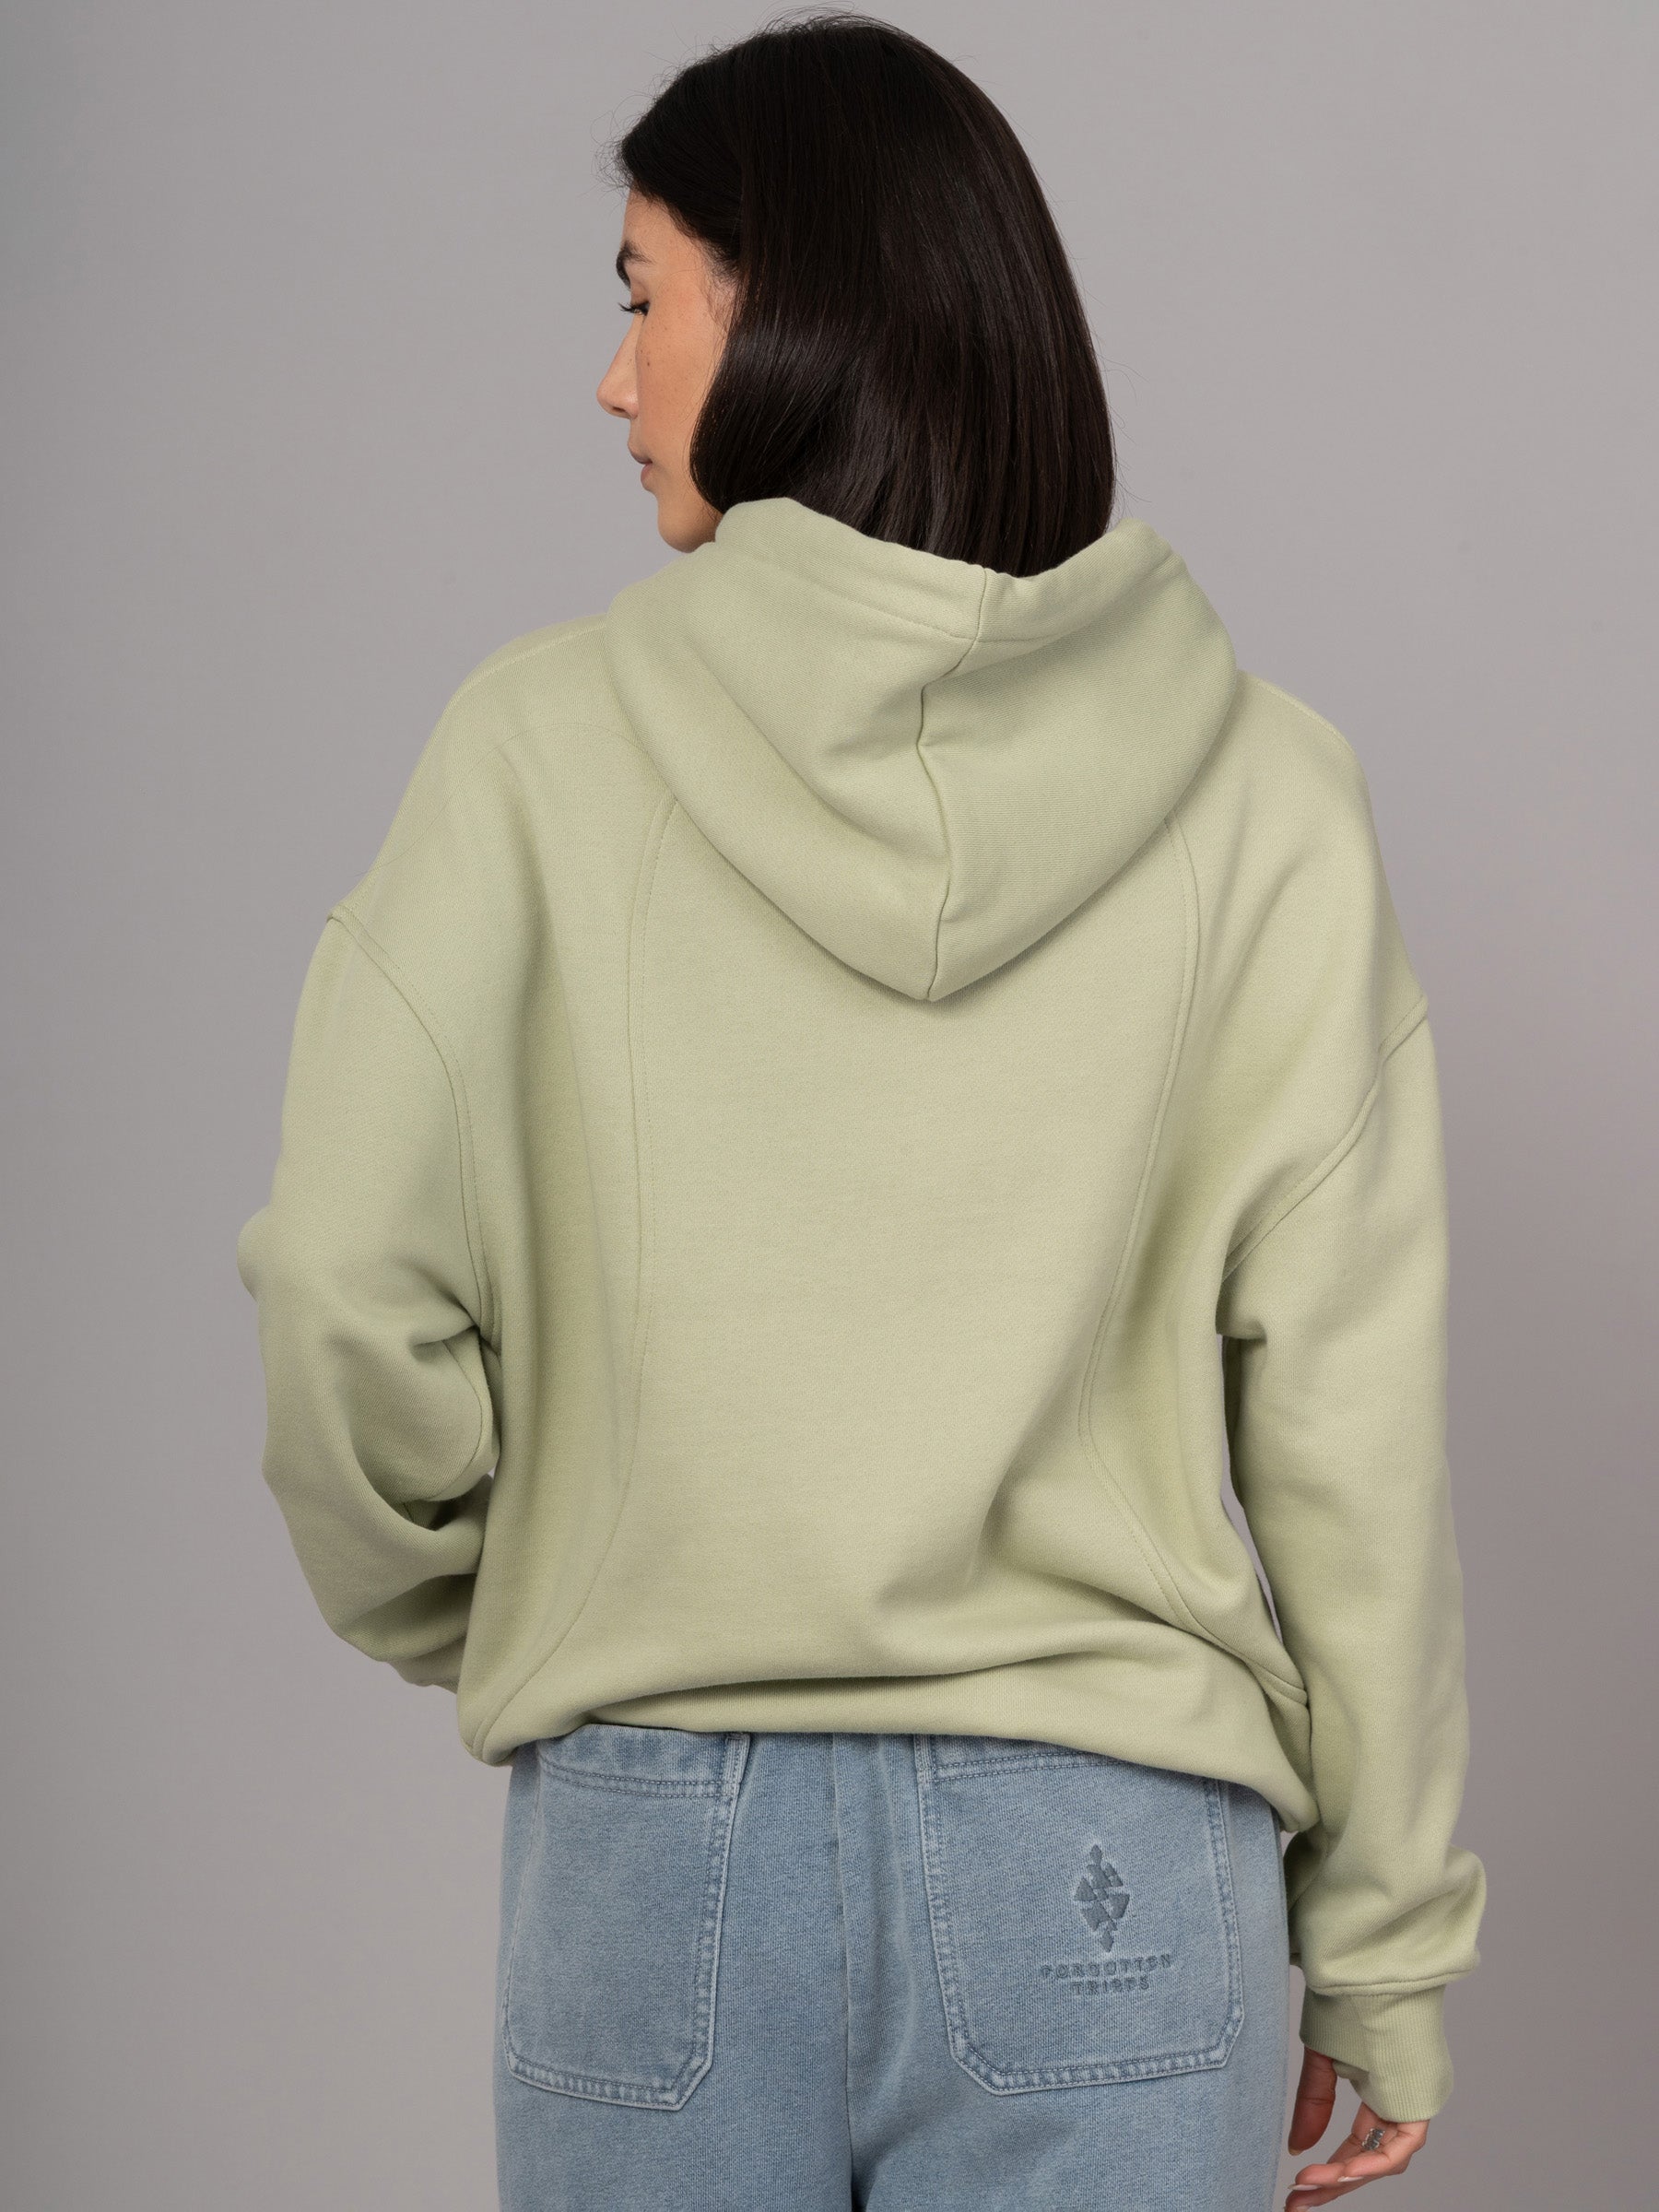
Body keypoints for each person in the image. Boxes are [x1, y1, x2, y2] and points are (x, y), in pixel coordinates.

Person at [234, 14, 1486, 2210]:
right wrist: (1383, 1947)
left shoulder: (535, 751)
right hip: (1113, 1850)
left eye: (643, 300)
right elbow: (1347, 1432)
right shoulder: (1270, 794)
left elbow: (349, 1289)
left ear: (789, 314)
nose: (609, 380)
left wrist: (519, 1597)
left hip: (661, 1840)